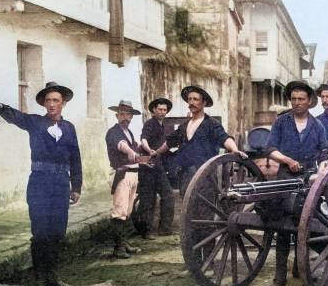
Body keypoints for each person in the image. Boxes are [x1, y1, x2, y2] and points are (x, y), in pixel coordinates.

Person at [0, 81, 82, 286]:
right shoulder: (36, 123)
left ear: (63, 103)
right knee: (40, 233)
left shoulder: (69, 128)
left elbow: (76, 158)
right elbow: (17, 118)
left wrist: (75, 186)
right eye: (48, 100)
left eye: (55, 100)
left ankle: (54, 277)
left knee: (58, 232)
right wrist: (2, 108)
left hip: (60, 185)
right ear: (44, 103)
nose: (51, 104)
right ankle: (39, 280)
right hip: (39, 183)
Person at [265, 80, 328, 286]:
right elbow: (271, 149)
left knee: (305, 224)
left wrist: (321, 170)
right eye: (293, 99)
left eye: (301, 99)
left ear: (309, 101)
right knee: (283, 226)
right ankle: (279, 276)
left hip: (309, 179)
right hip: (286, 176)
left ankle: (300, 269)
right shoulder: (282, 122)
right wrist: (287, 161)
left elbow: (324, 153)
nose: (297, 103)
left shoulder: (317, 125)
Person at [156, 86, 246, 194]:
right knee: (186, 207)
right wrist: (155, 153)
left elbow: (224, 138)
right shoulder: (184, 126)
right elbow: (169, 143)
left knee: (203, 208)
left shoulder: (211, 124)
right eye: (189, 99)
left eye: (195, 99)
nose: (192, 102)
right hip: (185, 176)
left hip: (206, 177)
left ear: (204, 103)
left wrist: (234, 149)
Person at [105, 100, 146, 259]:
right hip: (122, 174)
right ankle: (118, 248)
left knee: (128, 210)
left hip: (133, 174)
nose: (125, 117)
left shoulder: (129, 133)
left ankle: (125, 243)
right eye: (122, 114)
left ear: (131, 116)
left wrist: (143, 156)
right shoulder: (113, 132)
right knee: (120, 211)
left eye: (128, 114)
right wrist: (130, 152)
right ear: (117, 115)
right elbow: (121, 145)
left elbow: (133, 148)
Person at [137, 98, 175, 238]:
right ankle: (146, 231)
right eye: (159, 109)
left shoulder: (163, 126)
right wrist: (150, 150)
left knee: (168, 195)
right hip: (148, 166)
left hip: (159, 167)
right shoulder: (150, 124)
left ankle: (165, 228)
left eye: (165, 110)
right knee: (148, 198)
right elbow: (143, 140)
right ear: (154, 110)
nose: (162, 112)